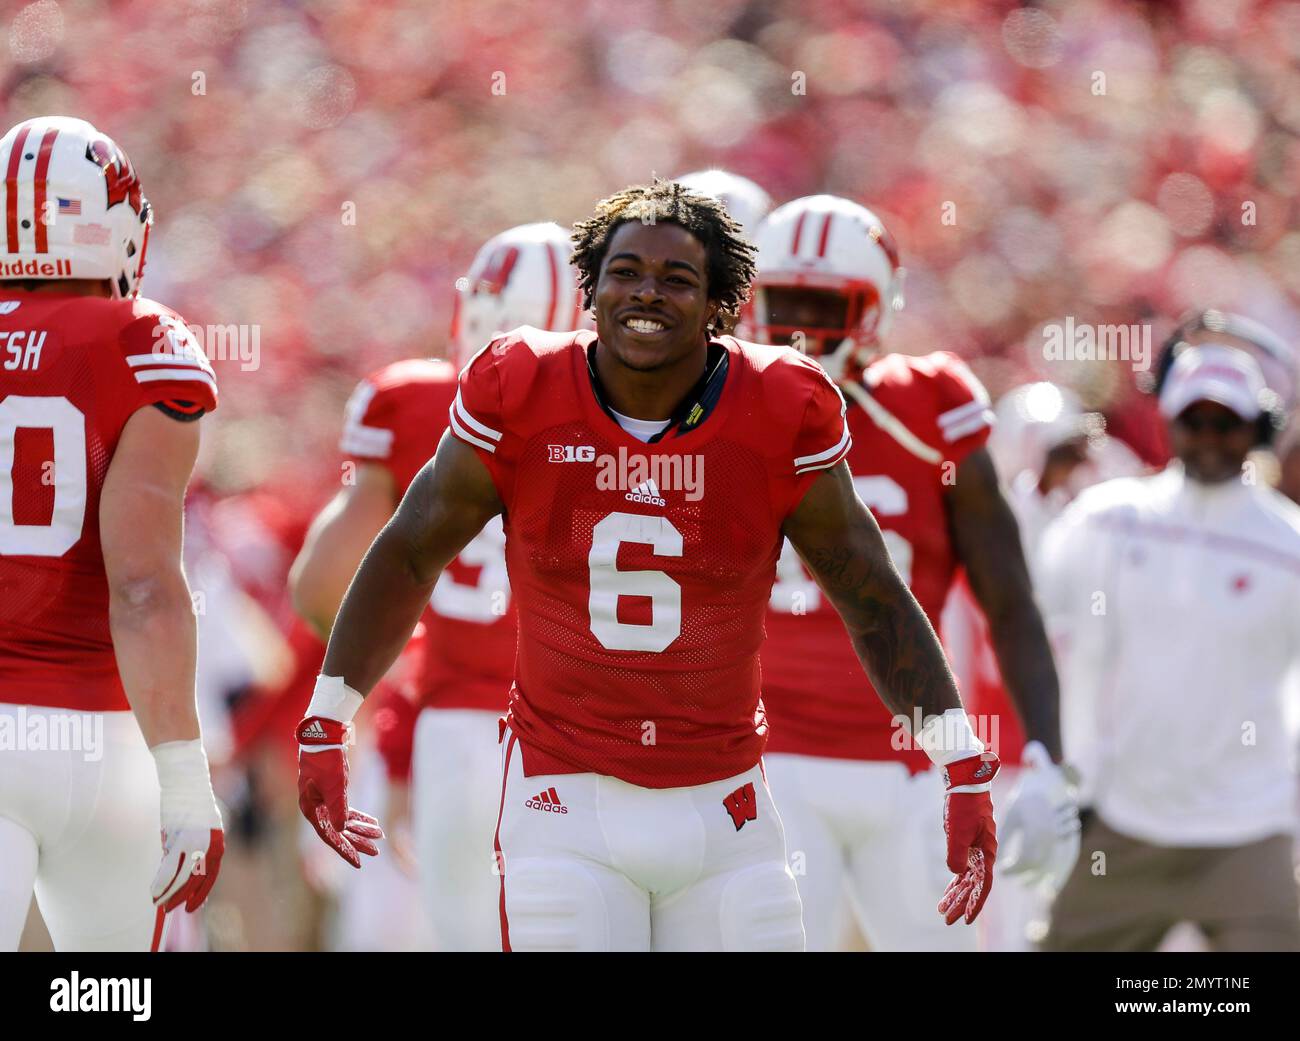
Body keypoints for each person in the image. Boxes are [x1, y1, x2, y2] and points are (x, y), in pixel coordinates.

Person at [295, 179, 1000, 952]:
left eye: (678, 279)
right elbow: (407, 552)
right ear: (591, 287)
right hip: (564, 801)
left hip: (727, 807)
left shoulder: (779, 403)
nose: (646, 293)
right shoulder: (520, 386)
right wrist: (329, 718)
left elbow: (873, 595)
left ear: (721, 302)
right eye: (626, 271)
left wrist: (959, 756)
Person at [747, 193, 1077, 951]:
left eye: (818, 303)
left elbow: (1009, 600)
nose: (794, 326)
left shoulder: (930, 404)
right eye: (781, 299)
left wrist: (1046, 758)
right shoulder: (728, 398)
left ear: (875, 310)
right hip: (771, 760)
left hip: (917, 764)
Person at [289, 221, 583, 949]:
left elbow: (322, 587)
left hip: (457, 731)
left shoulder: (417, 403)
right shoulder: (637, 424)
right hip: (589, 737)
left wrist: (407, 655)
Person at [0, 116, 223, 951]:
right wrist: (185, 775)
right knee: (109, 1000)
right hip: (104, 740)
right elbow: (142, 583)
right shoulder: (142, 340)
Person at [1038, 343, 1300, 952]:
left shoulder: (1288, 545)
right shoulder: (1108, 517)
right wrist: (1035, 494)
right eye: (1195, 420)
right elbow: (1029, 594)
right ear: (1170, 421)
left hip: (1250, 831)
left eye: (1226, 422)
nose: (1209, 436)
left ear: (1256, 427)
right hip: (1126, 822)